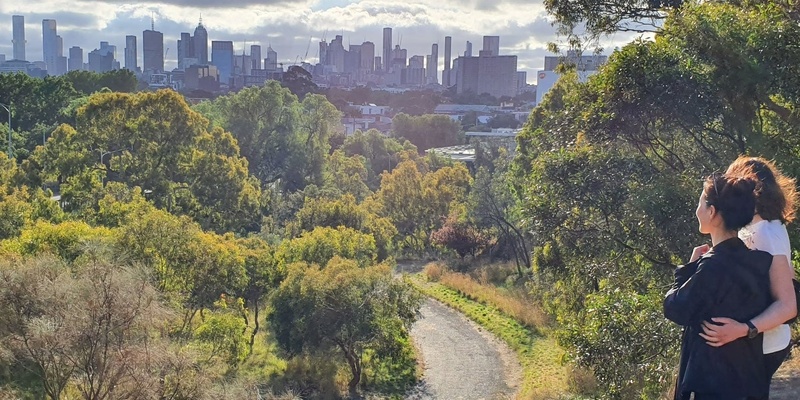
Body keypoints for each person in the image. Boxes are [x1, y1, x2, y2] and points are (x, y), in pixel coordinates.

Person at [664, 172, 773, 399]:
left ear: (712, 212)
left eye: (700, 202)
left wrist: (687, 270)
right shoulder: (758, 261)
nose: (697, 210)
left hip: (713, 382)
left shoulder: (713, 266)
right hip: (749, 379)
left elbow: (675, 308)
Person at [699, 157, 797, 385]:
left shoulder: (764, 233)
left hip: (763, 343)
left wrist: (744, 329)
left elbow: (787, 304)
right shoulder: (760, 228)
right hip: (758, 342)